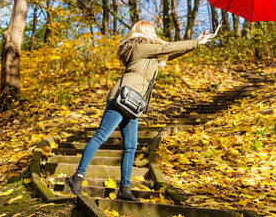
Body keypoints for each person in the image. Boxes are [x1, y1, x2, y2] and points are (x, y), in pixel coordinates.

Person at [66, 21, 214, 201]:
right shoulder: (141, 46)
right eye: (152, 30)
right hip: (122, 98)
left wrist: (197, 42)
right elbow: (167, 46)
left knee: (131, 146)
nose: (154, 32)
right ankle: (77, 177)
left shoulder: (148, 52)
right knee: (101, 136)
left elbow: (170, 52)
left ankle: (124, 189)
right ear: (144, 31)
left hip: (133, 101)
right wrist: (196, 42)